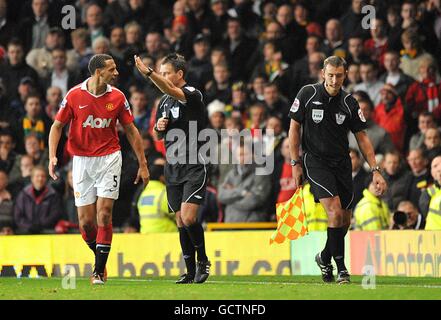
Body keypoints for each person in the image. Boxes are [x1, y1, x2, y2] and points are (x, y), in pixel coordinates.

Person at [48, 54, 150, 285]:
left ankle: (98, 271)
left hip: (109, 158)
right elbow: (56, 126)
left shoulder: (118, 96)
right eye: (111, 69)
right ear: (98, 72)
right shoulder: (74, 95)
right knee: (85, 222)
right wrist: (52, 156)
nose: (116, 73)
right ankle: (99, 257)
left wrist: (143, 164)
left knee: (104, 213)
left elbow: (132, 131)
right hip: (82, 161)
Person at [288, 56, 387, 284]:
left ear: (346, 74)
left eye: (339, 76)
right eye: (330, 75)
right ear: (323, 73)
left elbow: (362, 137)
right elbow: (294, 128)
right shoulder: (307, 94)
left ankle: (323, 257)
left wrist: (375, 169)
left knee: (344, 221)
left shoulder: (349, 102)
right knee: (334, 213)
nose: (334, 80)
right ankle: (341, 268)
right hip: (315, 162)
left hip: (342, 164)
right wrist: (295, 163)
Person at [135, 53, 211, 284]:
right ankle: (189, 270)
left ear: (179, 74)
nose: (164, 76)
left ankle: (203, 261)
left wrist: (149, 73)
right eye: (161, 72)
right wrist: (159, 127)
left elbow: (171, 90)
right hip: (173, 166)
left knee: (189, 217)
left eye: (166, 72)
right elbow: (158, 135)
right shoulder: (164, 102)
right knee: (179, 220)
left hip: (195, 163)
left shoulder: (192, 94)